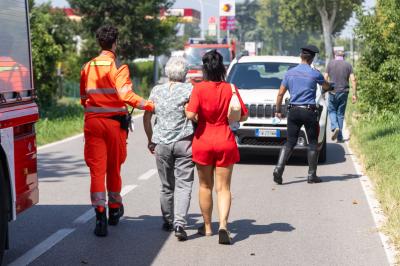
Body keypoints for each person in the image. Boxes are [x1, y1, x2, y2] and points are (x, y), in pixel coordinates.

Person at [80, 25, 154, 237]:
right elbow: (126, 96)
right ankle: (114, 209)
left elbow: (83, 99)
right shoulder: (119, 68)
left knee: (97, 171)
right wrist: (150, 106)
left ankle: (99, 216)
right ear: (115, 43)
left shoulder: (87, 67)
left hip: (93, 124)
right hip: (114, 126)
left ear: (99, 43)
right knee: (113, 168)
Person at [185, 50, 248, 245]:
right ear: (222, 68)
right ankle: (223, 225)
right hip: (225, 140)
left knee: (205, 186)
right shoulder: (231, 88)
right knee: (223, 188)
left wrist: (192, 112)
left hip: (203, 140)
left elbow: (189, 115)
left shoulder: (199, 88)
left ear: (204, 68)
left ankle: (207, 227)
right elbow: (243, 116)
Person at [143, 57, 194, 241]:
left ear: (167, 72)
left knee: (166, 185)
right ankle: (179, 223)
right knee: (184, 184)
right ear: (185, 73)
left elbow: (147, 117)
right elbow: (195, 115)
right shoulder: (190, 90)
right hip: (185, 142)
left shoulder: (157, 90)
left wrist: (151, 140)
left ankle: (168, 220)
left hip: (161, 144)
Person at [273, 45, 334, 185]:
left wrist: (278, 110)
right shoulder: (315, 73)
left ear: (301, 56)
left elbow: (280, 93)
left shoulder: (289, 73)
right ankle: (311, 175)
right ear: (312, 58)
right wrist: (330, 87)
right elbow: (326, 86)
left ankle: (278, 169)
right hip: (309, 111)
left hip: (293, 111)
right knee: (312, 142)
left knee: (290, 142)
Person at [324, 50, 357, 142]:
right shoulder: (348, 65)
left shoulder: (330, 64)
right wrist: (354, 94)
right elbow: (353, 80)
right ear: (344, 56)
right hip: (344, 92)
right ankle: (339, 137)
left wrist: (323, 91)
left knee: (332, 111)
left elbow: (325, 78)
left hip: (332, 91)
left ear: (335, 55)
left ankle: (335, 127)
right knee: (340, 114)